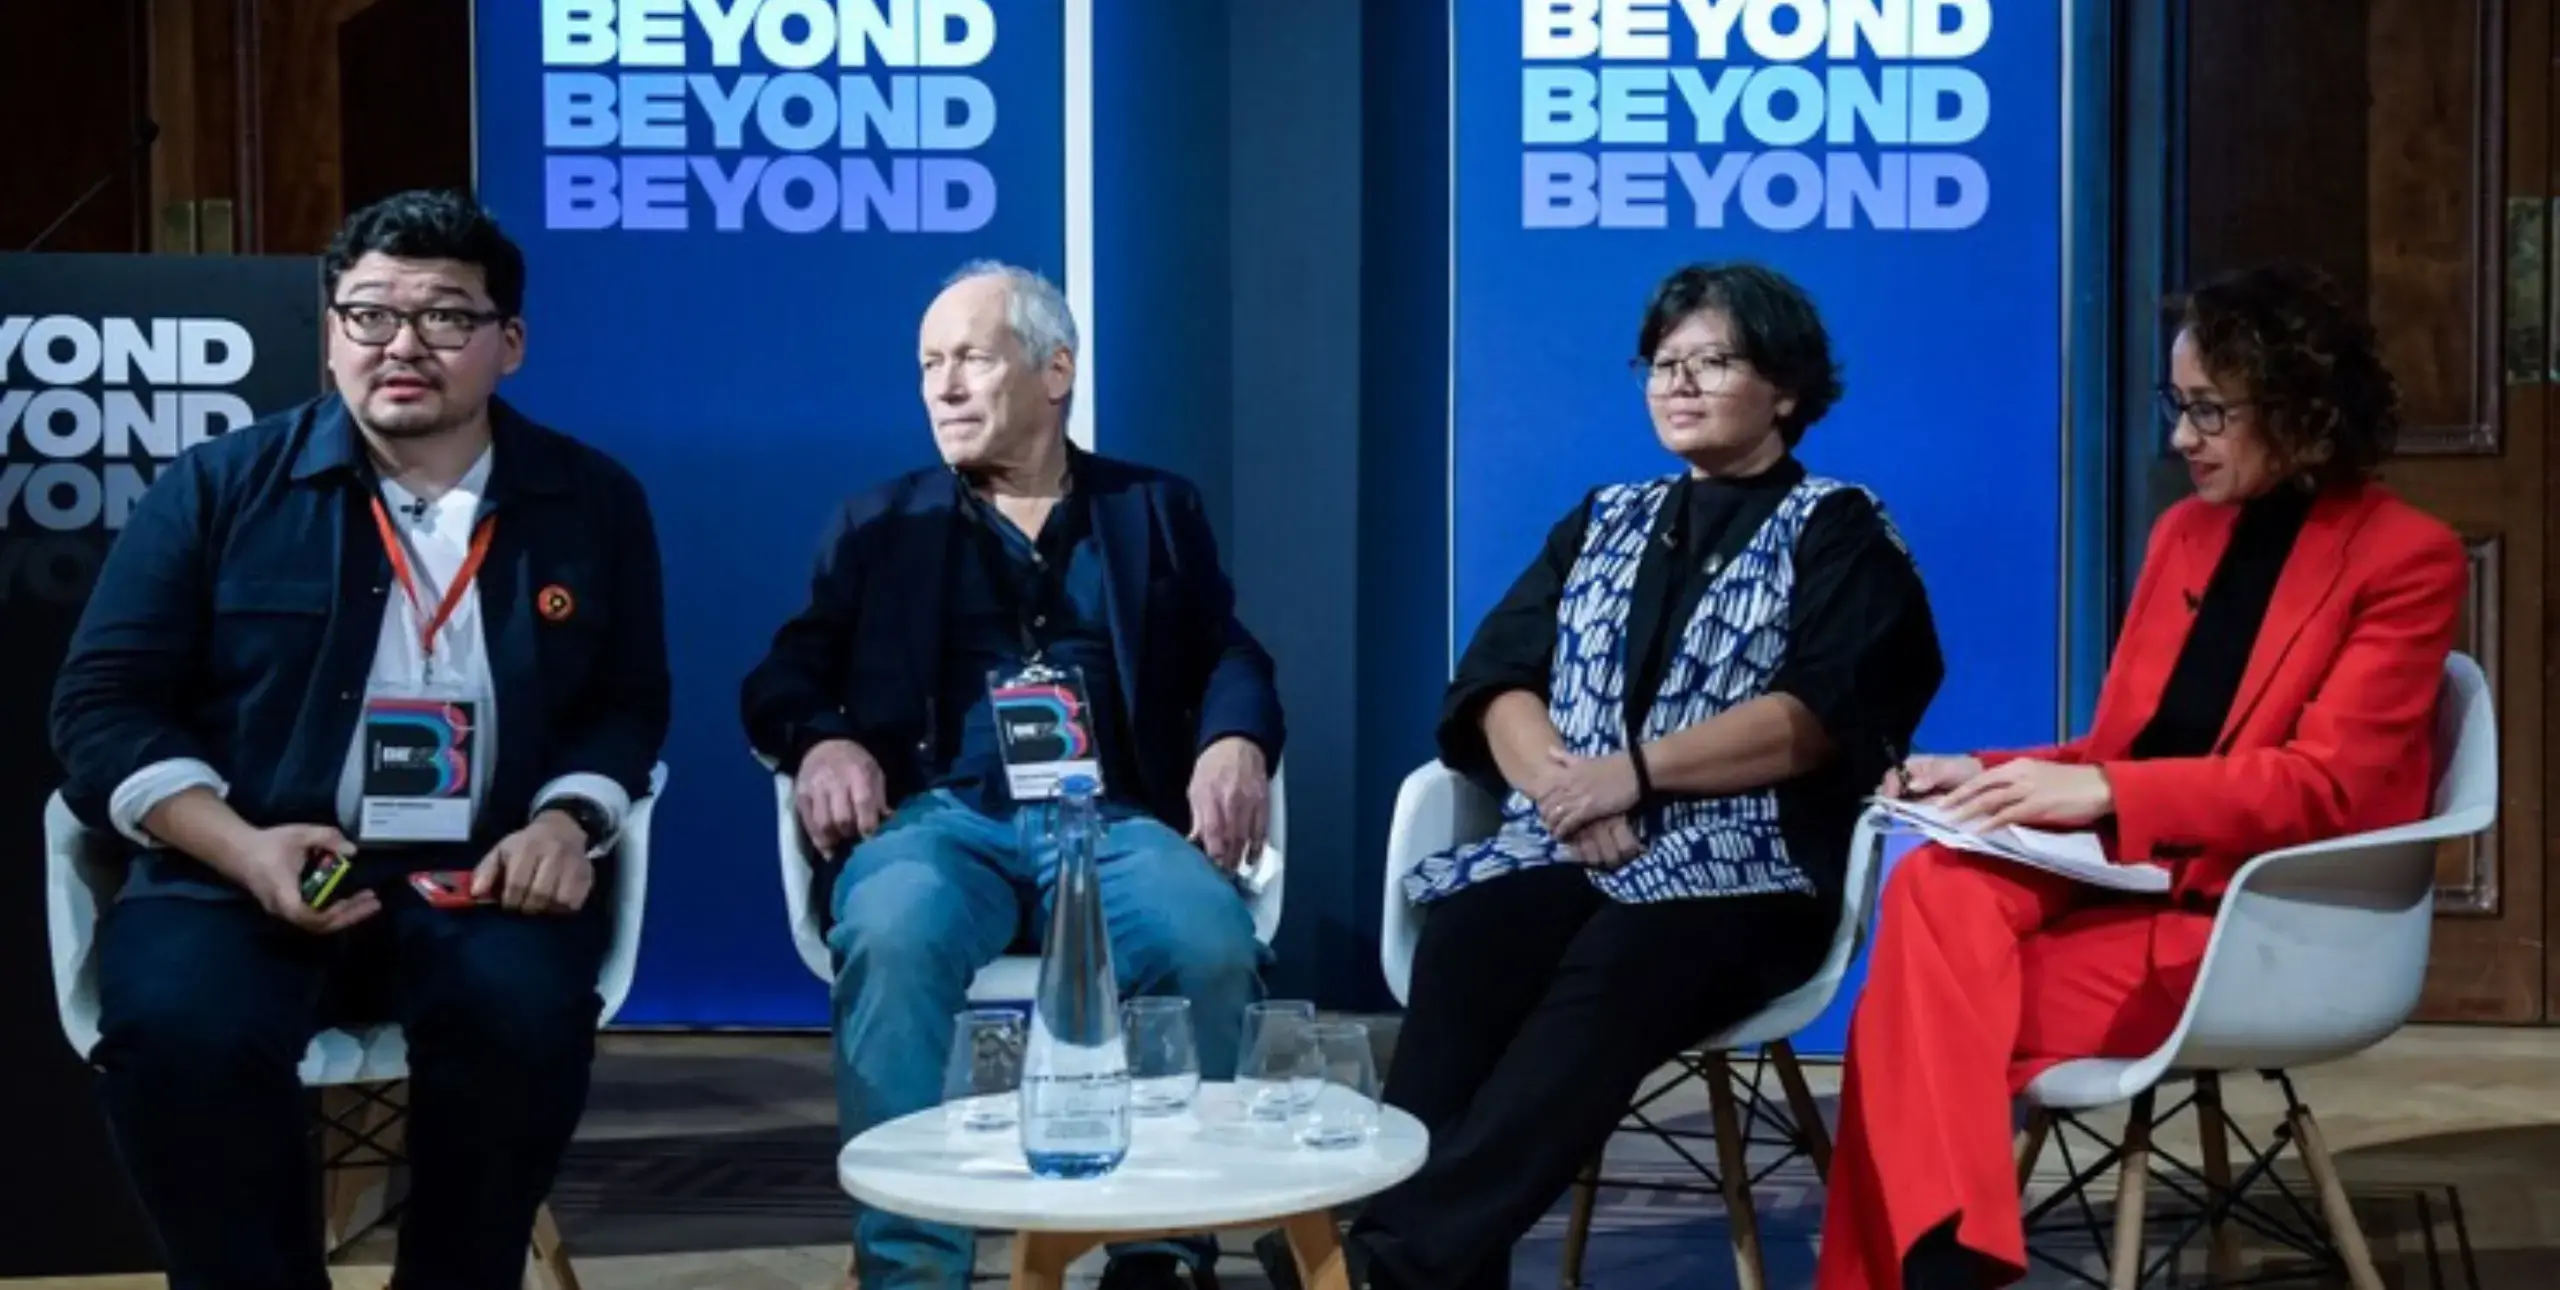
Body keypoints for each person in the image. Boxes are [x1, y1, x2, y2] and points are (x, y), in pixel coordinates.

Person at [47, 189, 670, 1290]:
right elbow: (101, 708)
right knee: (179, 1029)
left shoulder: (592, 501)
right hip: (242, 868)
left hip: (478, 873)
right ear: (330, 329)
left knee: (523, 1015)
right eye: (370, 314)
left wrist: (569, 818)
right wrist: (240, 847)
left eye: (444, 317)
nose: (403, 346)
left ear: (508, 343)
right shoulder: (218, 488)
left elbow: (626, 703)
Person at [1813, 261, 2467, 1290]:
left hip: (2257, 916)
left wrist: (2112, 795)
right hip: (2131, 876)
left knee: (1907, 1028)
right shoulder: (2182, 536)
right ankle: (1946, 1263)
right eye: (2178, 406)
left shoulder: (2406, 558)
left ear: (2300, 409)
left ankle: (1926, 1271)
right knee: (1938, 885)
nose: (2179, 437)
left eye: (2208, 410)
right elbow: (2127, 747)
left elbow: (2323, 786)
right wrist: (1975, 773)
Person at [1338, 262, 1944, 1290]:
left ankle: (1391, 1259)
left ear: (1784, 390)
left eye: (1712, 361)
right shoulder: (1603, 518)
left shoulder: (1841, 529)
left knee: (1622, 957)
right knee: (1476, 931)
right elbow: (1494, 682)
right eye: (1663, 364)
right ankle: (1443, 1265)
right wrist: (1563, 795)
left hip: (1748, 870)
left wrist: (1633, 776)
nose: (1680, 384)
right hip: (1577, 837)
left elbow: (1816, 719)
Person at [740, 260, 1283, 1289]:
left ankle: (1160, 1251)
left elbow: (1231, 652)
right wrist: (820, 739)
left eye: (971, 361)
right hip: (940, 818)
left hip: (1111, 819)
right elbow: (787, 669)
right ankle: (910, 1264)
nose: (943, 387)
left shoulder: (1151, 509)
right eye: (928, 365)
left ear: (1054, 370)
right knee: (895, 935)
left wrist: (1233, 741)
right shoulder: (877, 523)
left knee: (1208, 940)